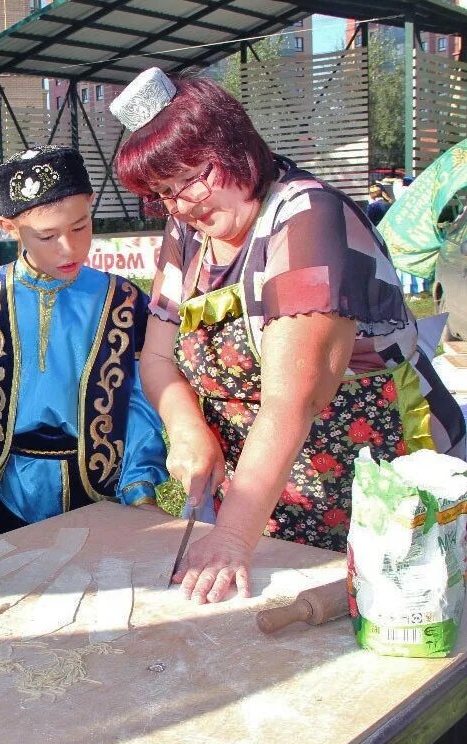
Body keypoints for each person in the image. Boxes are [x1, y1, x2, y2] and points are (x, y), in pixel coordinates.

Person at [110, 68, 466, 604]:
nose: (183, 203)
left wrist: (231, 536)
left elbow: (294, 398)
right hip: (264, 496)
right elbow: (157, 358)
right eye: (164, 192)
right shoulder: (187, 230)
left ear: (234, 144)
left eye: (194, 177)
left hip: (377, 484)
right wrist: (186, 429)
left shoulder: (308, 216)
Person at [0, 145, 168, 545]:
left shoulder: (122, 301)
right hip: (2, 485)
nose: (69, 248)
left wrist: (139, 486)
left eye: (80, 227)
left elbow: (138, 399)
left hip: (99, 483)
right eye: (47, 236)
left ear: (91, 206)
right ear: (9, 227)